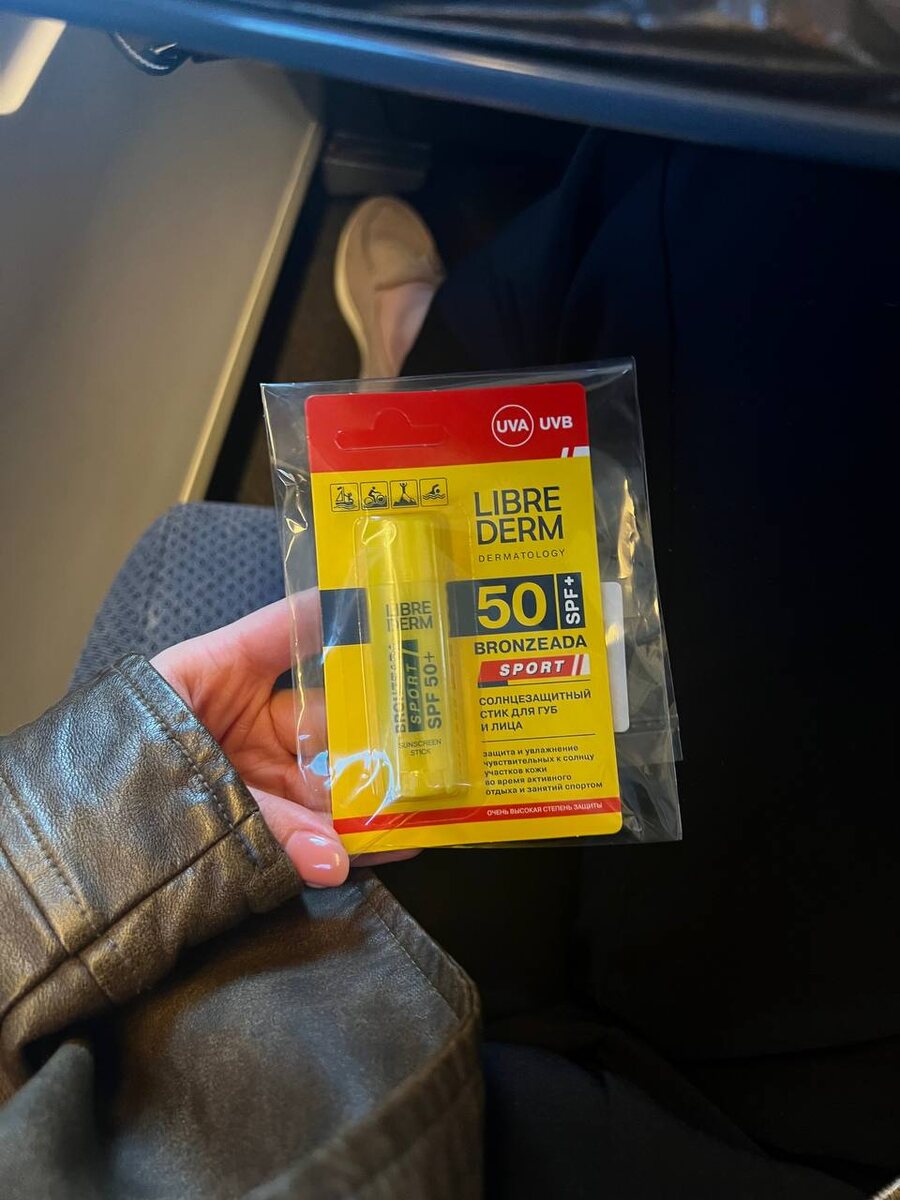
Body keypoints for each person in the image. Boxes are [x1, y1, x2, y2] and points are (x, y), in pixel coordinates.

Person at [1, 131, 898, 1199]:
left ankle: (433, 373)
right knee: (770, 220)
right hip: (666, 1117)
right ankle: (446, 364)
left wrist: (89, 831)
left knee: (686, 234)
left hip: (320, 1025)